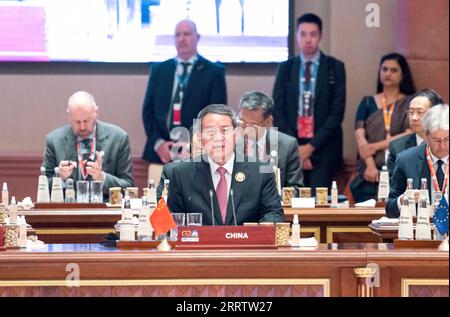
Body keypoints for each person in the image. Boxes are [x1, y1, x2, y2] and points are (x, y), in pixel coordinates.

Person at [167, 104, 285, 225]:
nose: (218, 138)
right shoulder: (182, 174)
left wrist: (257, 233)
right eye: (210, 132)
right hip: (201, 242)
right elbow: (173, 218)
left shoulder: (261, 171)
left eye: (224, 131)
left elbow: (273, 213)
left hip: (245, 242)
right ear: (201, 138)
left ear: (236, 135)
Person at [272, 13, 346, 194]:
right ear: (296, 36)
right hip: (291, 143)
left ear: (320, 36)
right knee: (290, 197)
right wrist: (297, 148)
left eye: (313, 34)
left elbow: (337, 113)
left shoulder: (334, 67)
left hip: (324, 144)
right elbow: (277, 109)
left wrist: (310, 148)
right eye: (303, 34)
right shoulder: (286, 67)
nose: (307, 40)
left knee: (319, 199)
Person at [142, 19, 227, 164]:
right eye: (177, 35)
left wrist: (193, 146)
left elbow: (216, 116)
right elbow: (148, 112)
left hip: (198, 155)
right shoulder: (159, 70)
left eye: (187, 34)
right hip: (161, 153)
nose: (181, 39)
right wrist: (158, 144)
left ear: (197, 37)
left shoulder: (214, 72)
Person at [41, 91, 134, 197]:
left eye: (86, 121)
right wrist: (60, 177)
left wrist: (102, 178)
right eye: (77, 122)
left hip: (105, 210)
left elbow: (129, 187)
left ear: (96, 112)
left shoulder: (118, 138)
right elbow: (43, 187)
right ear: (69, 116)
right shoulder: (54, 140)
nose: (82, 127)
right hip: (69, 210)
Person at [350, 53, 416, 203]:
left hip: (399, 167)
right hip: (369, 171)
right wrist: (370, 166)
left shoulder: (410, 103)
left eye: (394, 70)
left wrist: (375, 146)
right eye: (384, 69)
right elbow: (360, 136)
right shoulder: (367, 102)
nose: (388, 73)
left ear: (403, 74)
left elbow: (409, 133)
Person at [386, 104, 449, 218]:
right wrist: (402, 201)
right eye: (437, 140)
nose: (443, 146)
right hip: (420, 230)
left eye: (447, 139)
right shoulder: (406, 160)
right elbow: (390, 209)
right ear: (426, 135)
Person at [236, 90, 304, 195]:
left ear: (268, 122)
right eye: (241, 122)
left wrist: (270, 199)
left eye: (252, 126)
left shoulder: (287, 145)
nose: (244, 131)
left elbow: (295, 188)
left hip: (273, 207)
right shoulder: (230, 143)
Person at [387, 88, 444, 176]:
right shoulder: (397, 147)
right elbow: (393, 184)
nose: (414, 118)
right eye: (411, 112)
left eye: (420, 112)